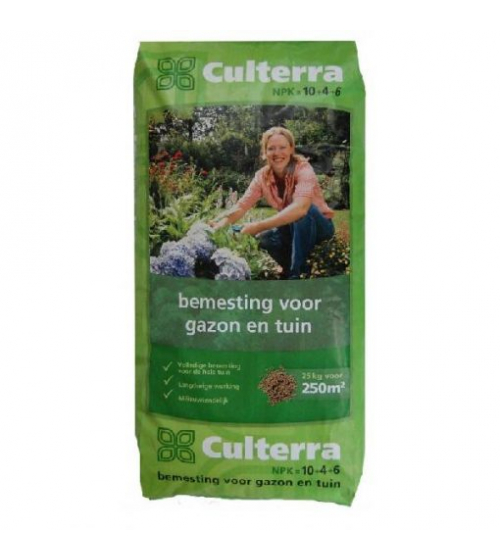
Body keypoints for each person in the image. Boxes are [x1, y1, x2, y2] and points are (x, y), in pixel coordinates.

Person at [210, 127, 334, 279]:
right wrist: (220, 225)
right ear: (265, 152)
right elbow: (242, 206)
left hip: (321, 227)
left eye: (282, 147)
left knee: (303, 212)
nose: (277, 153)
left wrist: (257, 226)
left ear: (291, 149)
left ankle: (297, 276)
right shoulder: (262, 176)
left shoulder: (303, 169)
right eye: (271, 148)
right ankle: (291, 269)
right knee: (265, 238)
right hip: (291, 228)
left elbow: (300, 208)